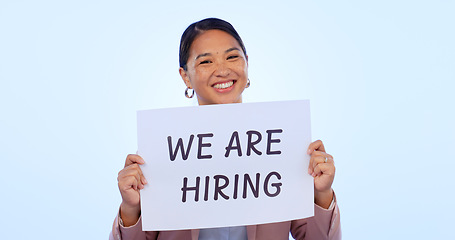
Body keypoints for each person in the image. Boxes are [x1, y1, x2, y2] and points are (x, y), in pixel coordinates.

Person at [109, 18, 341, 240]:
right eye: (206, 61)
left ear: (247, 64)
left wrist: (321, 195)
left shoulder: (283, 141)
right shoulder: (160, 149)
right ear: (185, 77)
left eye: (232, 57)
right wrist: (132, 209)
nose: (222, 70)